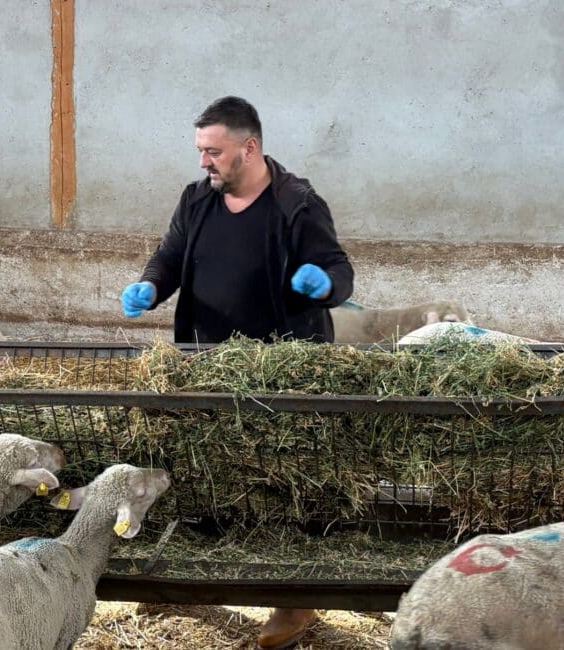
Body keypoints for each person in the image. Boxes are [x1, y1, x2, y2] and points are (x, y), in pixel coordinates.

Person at [119, 96, 354, 649]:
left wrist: (326, 284)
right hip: (207, 364)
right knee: (204, 473)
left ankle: (294, 602)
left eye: (214, 152)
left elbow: (339, 268)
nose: (205, 162)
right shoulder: (197, 199)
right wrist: (152, 285)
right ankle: (189, 585)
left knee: (287, 479)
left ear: (249, 148)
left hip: (284, 370)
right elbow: (170, 256)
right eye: (201, 151)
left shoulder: (297, 204)